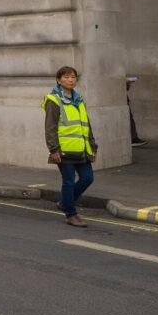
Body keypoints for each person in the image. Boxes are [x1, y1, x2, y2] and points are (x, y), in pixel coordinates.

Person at [44, 66, 98, 228]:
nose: (70, 80)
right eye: (66, 77)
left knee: (88, 178)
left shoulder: (79, 99)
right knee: (68, 181)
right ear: (59, 80)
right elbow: (50, 127)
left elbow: (86, 125)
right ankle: (71, 215)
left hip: (81, 149)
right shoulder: (53, 100)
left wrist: (93, 147)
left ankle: (65, 203)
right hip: (64, 150)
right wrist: (54, 149)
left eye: (73, 77)